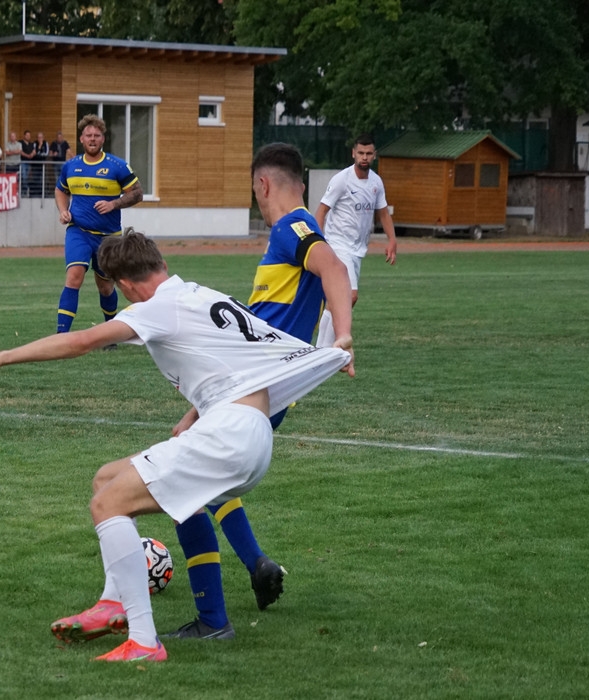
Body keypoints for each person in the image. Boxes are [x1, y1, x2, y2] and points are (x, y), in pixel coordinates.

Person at [0, 229, 353, 662]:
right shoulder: (203, 295)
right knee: (107, 479)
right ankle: (135, 607)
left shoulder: (159, 307)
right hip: (247, 432)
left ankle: (142, 641)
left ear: (123, 285)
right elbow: (246, 365)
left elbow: (81, 341)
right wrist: (196, 414)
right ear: (161, 263)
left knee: (108, 505)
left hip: (230, 435)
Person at [165, 142, 357, 639]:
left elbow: (335, 270)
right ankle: (256, 565)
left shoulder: (292, 227)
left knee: (184, 486)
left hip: (257, 386)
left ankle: (214, 618)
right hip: (249, 384)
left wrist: (343, 336)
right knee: (203, 477)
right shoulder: (295, 232)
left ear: (262, 184)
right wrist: (194, 411)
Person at [54, 114, 143, 334]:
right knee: (74, 276)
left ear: (103, 138)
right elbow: (60, 190)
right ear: (81, 139)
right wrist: (63, 210)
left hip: (108, 238)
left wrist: (114, 204)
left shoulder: (117, 166)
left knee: (105, 287)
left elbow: (137, 193)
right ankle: (61, 336)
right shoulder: (71, 166)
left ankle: (109, 332)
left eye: (96, 135)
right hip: (79, 231)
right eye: (88, 135)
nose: (92, 139)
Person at [314, 134, 398, 348]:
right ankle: (327, 349)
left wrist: (392, 240)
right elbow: (321, 211)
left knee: (336, 300)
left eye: (368, 153)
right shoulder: (342, 180)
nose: (364, 157)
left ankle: (320, 349)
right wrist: (320, 242)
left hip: (357, 249)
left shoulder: (376, 182)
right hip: (337, 244)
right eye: (360, 153)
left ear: (374, 155)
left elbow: (383, 213)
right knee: (349, 296)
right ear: (353, 153)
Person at [19, 129, 36, 196]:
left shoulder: (31, 144)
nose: (28, 137)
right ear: (24, 136)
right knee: (24, 176)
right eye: (27, 135)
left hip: (29, 163)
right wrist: (27, 155)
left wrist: (32, 154)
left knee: (27, 177)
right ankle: (25, 189)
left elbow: (34, 151)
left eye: (29, 135)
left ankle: (25, 190)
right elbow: (20, 151)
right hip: (23, 162)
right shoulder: (20, 142)